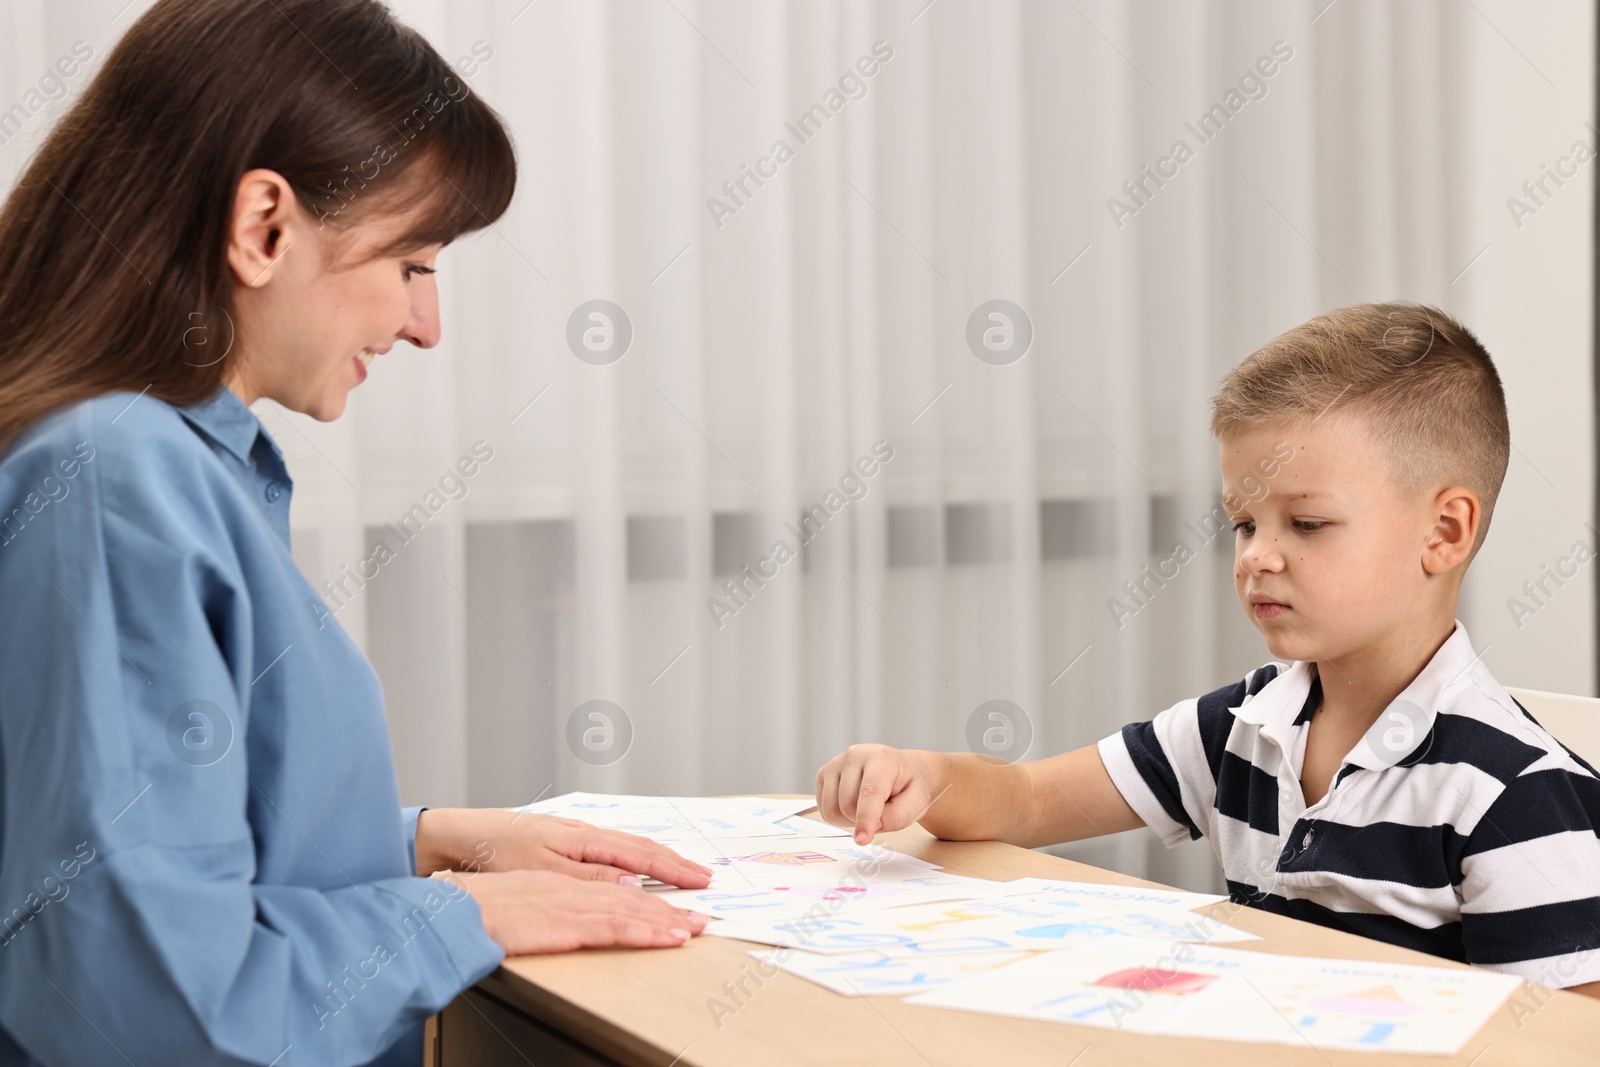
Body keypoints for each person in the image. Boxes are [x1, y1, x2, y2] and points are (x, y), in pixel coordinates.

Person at [0, 1, 712, 1063]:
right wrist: (457, 916)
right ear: (263, 228)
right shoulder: (117, 477)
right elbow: (152, 1000)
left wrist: (421, 842)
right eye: (414, 263)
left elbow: (138, 851)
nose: (425, 325)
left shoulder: (156, 465)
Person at [816, 303, 1600, 996]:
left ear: (1445, 532)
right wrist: (924, 776)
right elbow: (1027, 799)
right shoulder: (1244, 724)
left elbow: (1567, 1045)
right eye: (1244, 522)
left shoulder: (1516, 796)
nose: (1258, 554)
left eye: (1307, 523)